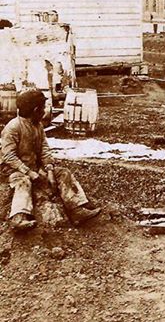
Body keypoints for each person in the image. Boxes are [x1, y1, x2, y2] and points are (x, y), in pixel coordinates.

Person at [1, 89, 101, 231]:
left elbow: (44, 149)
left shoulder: (38, 126)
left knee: (63, 173)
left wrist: (49, 169)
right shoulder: (13, 128)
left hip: (34, 167)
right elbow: (9, 157)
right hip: (12, 169)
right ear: (36, 110)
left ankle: (77, 209)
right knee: (23, 181)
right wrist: (29, 173)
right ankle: (18, 217)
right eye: (42, 108)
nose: (44, 111)